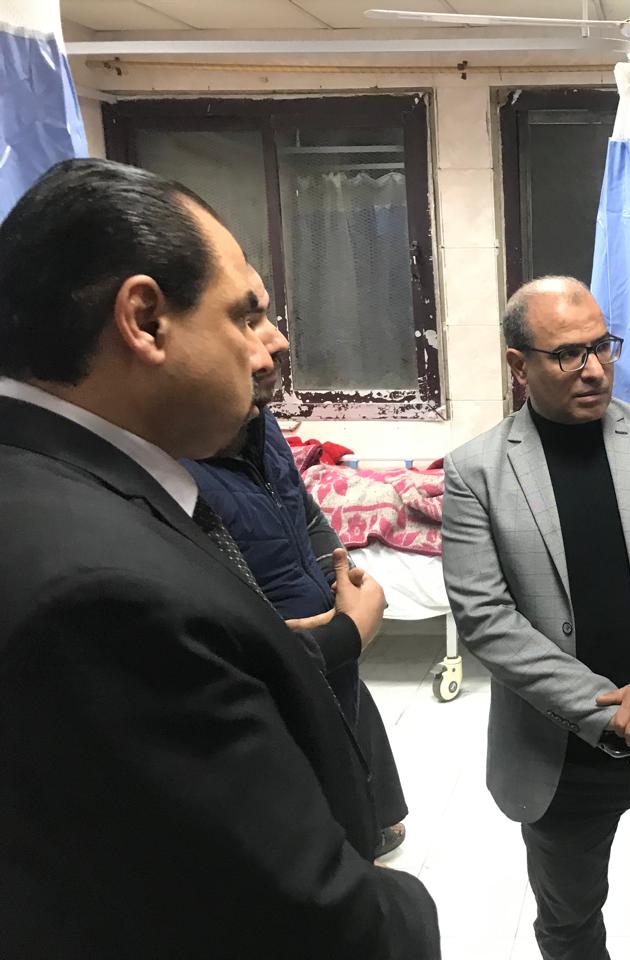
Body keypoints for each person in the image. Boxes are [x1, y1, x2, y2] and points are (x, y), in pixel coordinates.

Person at [0, 158, 439, 959]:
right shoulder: (99, 593)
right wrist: (404, 906)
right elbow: (313, 920)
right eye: (245, 315)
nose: (274, 344)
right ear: (145, 320)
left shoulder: (66, 478)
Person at [442, 276, 630, 960]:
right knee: (570, 922)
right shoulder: (476, 472)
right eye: (568, 354)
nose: (596, 369)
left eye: (603, 346)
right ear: (519, 365)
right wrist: (609, 712)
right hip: (561, 754)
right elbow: (485, 619)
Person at [185, 315, 409, 858]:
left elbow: (302, 510)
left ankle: (369, 828)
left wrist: (339, 573)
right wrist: (344, 632)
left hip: (327, 651)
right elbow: (222, 644)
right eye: (245, 319)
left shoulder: (259, 425)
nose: (278, 341)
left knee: (353, 759)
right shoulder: (174, 476)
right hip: (281, 677)